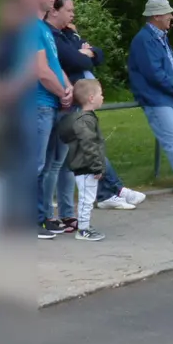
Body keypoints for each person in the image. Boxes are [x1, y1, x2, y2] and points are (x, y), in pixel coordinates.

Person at [48, 0, 144, 210]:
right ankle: (113, 191)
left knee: (78, 151)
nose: (73, 15)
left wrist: (86, 52)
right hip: (70, 100)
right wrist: (83, 54)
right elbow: (74, 60)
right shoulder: (52, 36)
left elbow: (97, 56)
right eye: (70, 11)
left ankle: (107, 193)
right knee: (81, 149)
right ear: (55, 11)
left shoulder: (68, 35)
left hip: (78, 99)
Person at [127, 0, 173, 195]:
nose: (171, 17)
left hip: (168, 97)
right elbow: (153, 73)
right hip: (156, 99)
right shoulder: (145, 39)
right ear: (156, 16)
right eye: (167, 13)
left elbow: (170, 67)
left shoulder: (159, 37)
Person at [28, 0, 74, 238]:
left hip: (52, 103)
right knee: (34, 164)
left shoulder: (43, 28)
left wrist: (66, 87)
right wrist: (62, 92)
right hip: (39, 104)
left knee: (46, 165)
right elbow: (41, 71)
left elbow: (55, 66)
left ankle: (43, 216)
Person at [58, 79, 108, 241]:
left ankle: (85, 226)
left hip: (85, 166)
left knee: (87, 197)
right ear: (91, 98)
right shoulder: (85, 120)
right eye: (101, 94)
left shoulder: (85, 118)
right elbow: (89, 144)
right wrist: (96, 166)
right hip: (86, 166)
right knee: (87, 199)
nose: (103, 97)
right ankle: (83, 230)